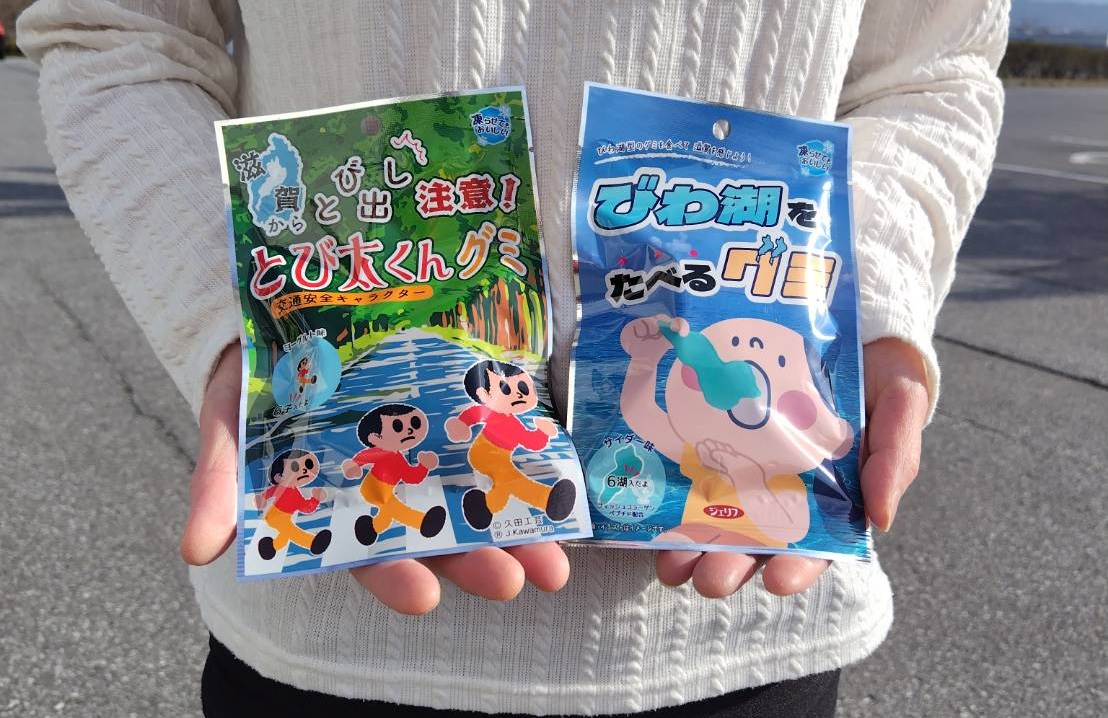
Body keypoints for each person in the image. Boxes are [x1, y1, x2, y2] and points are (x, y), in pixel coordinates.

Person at [17, 1, 1007, 716]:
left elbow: (930, 70)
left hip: (746, 633)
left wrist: (863, 311)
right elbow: (114, 32)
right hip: (325, 630)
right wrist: (246, 332)